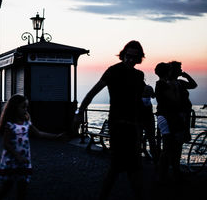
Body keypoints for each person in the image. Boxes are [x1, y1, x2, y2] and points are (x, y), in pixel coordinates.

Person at [76, 40, 146, 200]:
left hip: (134, 127)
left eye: (134, 57)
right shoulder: (113, 71)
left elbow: (139, 99)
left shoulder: (138, 75)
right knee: (118, 166)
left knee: (134, 167)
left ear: (139, 58)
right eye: (128, 56)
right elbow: (92, 92)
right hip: (118, 125)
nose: (130, 60)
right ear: (123, 55)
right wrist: (80, 113)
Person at [0, 94, 64, 200]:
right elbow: (6, 143)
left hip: (24, 160)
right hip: (11, 161)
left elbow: (39, 133)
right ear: (14, 108)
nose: (25, 110)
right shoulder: (10, 125)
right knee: (6, 187)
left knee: (23, 188)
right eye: (23, 107)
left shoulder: (26, 123)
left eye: (26, 107)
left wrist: (56, 137)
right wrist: (17, 156)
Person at [154, 62, 184, 182]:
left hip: (164, 117)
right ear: (168, 72)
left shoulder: (160, 84)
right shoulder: (163, 85)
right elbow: (175, 100)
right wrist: (176, 89)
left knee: (168, 147)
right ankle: (163, 176)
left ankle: (164, 175)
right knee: (168, 148)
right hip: (167, 118)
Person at [169, 61, 197, 143]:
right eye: (179, 68)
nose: (181, 70)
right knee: (177, 138)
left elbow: (193, 85)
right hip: (179, 115)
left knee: (183, 137)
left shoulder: (180, 82)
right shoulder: (171, 83)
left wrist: (186, 76)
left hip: (185, 113)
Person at [140, 83, 158, 163]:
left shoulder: (136, 89)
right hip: (148, 118)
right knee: (151, 138)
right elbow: (154, 96)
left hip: (140, 117)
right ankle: (154, 157)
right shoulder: (149, 87)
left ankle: (144, 152)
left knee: (141, 137)